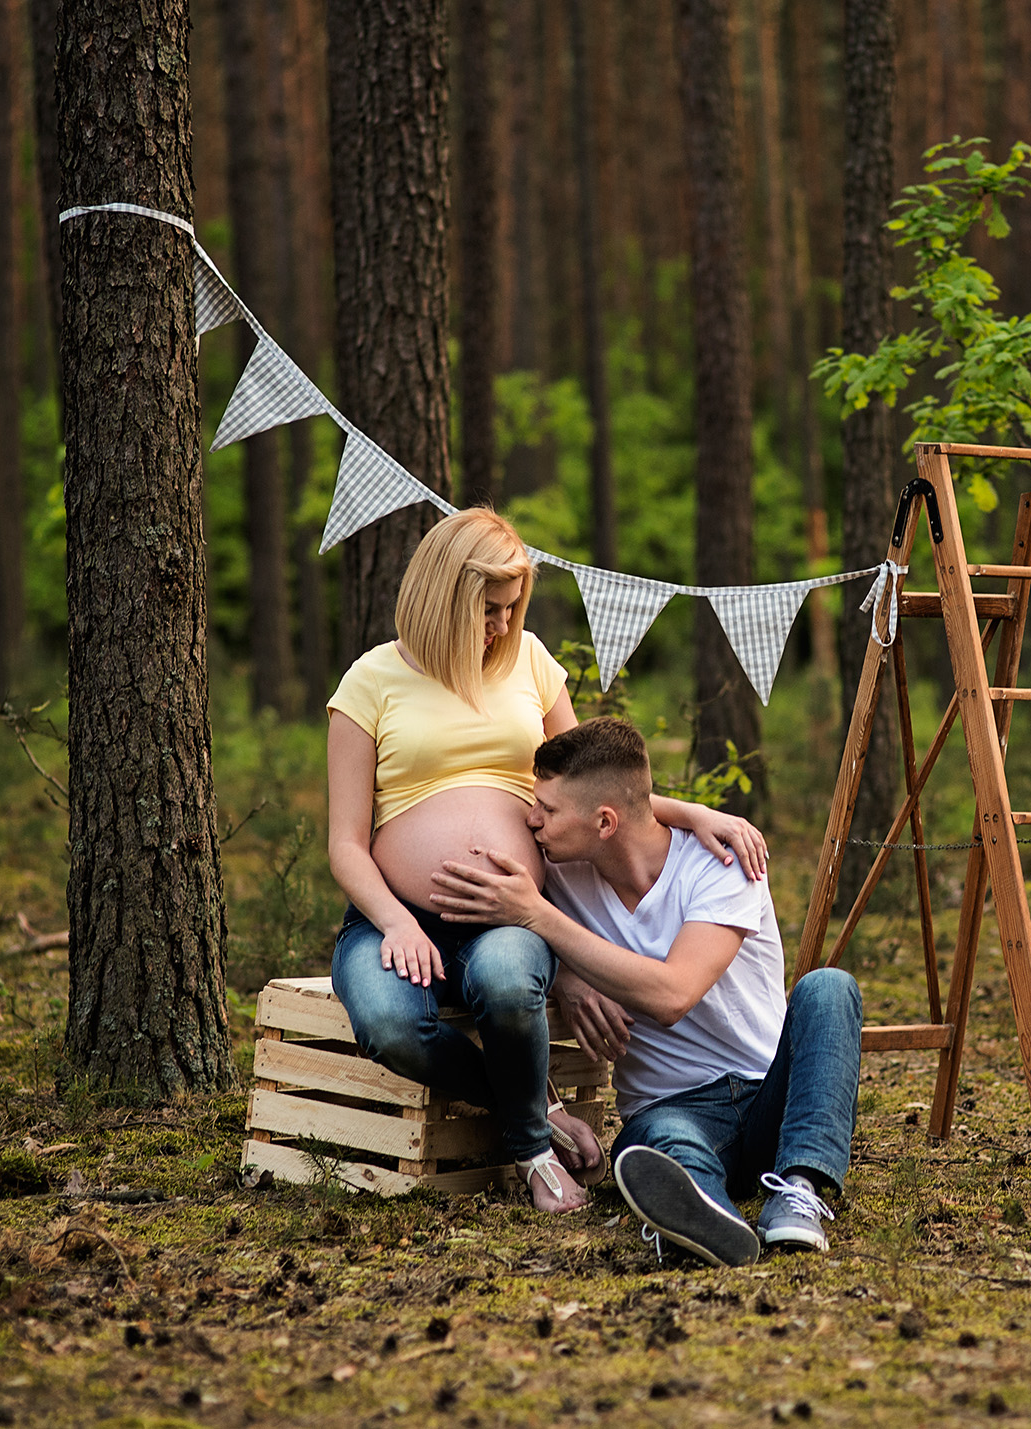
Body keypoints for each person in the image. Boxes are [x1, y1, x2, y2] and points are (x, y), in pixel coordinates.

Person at [325, 509, 766, 1214]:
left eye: (510, 609)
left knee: (504, 978)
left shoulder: (529, 660)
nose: (501, 626)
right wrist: (394, 923)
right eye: (487, 611)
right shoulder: (369, 681)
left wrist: (694, 813)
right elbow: (345, 841)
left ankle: (529, 1151)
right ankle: (535, 1114)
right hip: (396, 915)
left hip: (510, 912)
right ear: (444, 597)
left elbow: (599, 784)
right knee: (386, 1023)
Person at [430, 716, 863, 1267]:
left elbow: (673, 995)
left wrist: (539, 917)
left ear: (604, 822)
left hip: (768, 1096)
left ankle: (797, 1192)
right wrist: (566, 976)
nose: (531, 819)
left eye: (549, 809)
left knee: (830, 988)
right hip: (669, 1108)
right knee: (657, 1141)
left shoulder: (722, 861)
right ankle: (703, 1213)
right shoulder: (561, 871)